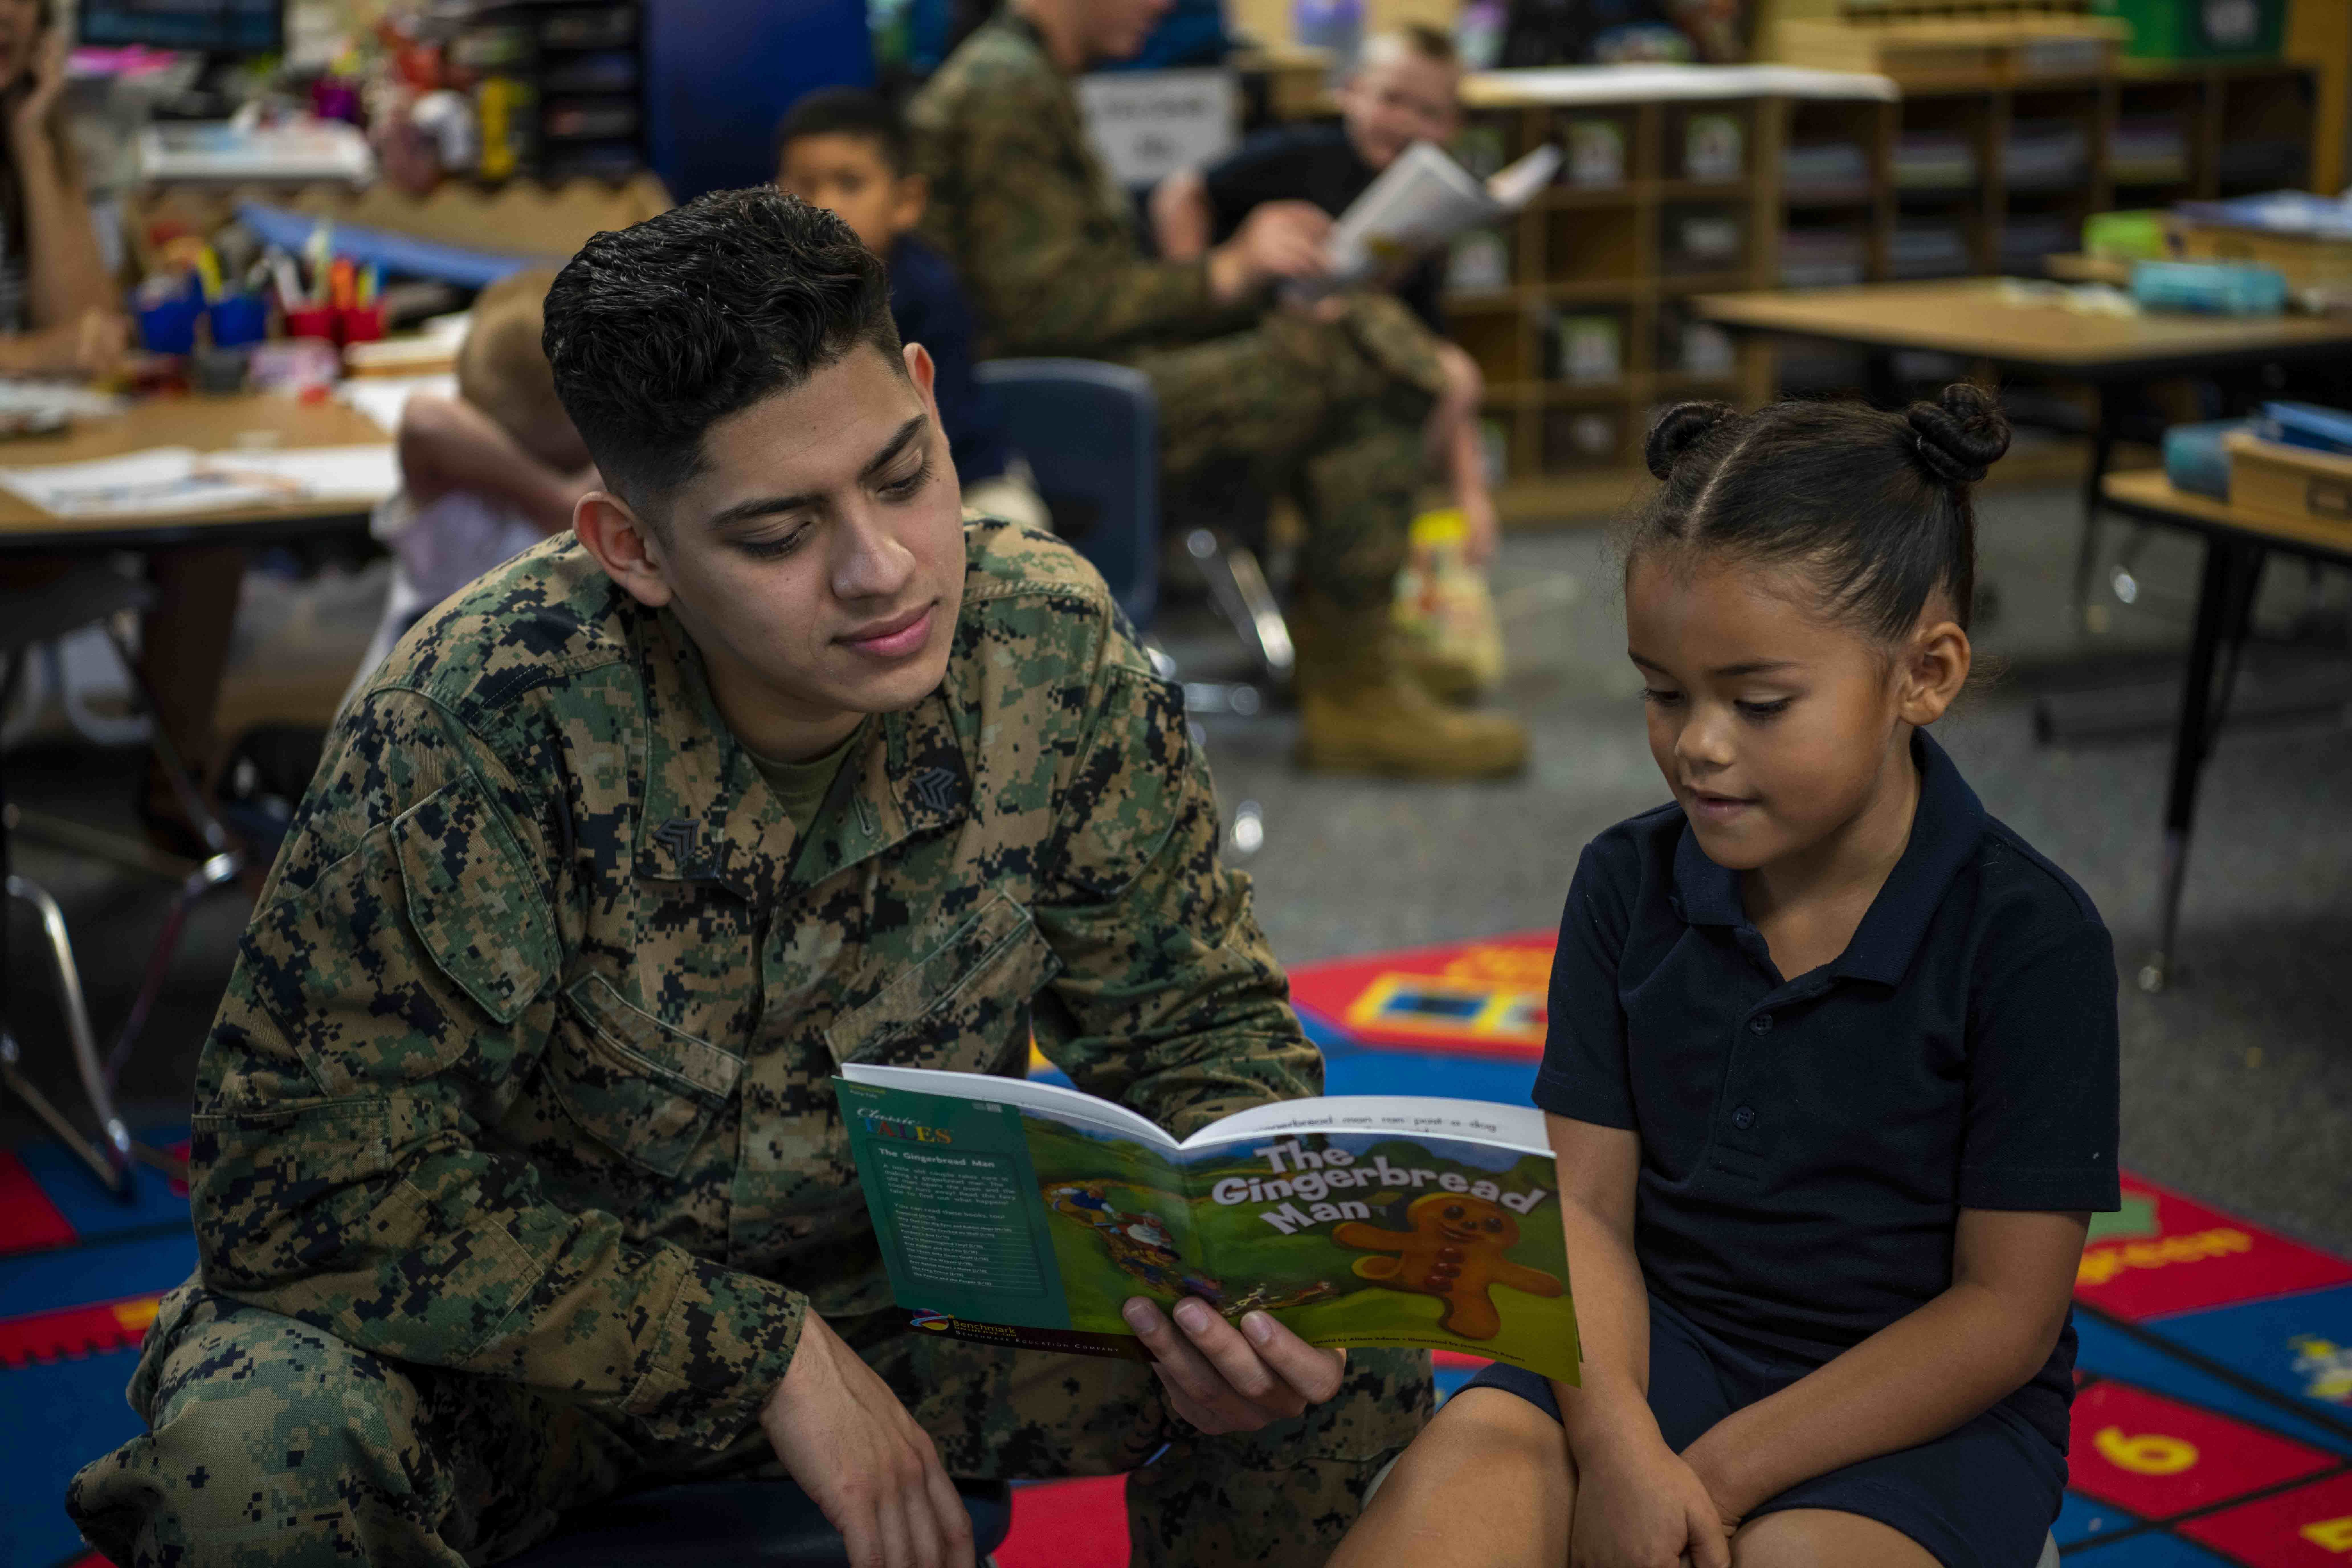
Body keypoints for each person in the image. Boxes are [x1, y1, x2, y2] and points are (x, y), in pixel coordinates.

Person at [64, 188, 1428, 1568]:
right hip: (513, 1346)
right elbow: (297, 1181)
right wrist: (755, 1353)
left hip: (907, 1304)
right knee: (248, 1472)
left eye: (903, 473)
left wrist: (1235, 1279)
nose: (882, 569)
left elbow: (1193, 1027)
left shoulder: (1046, 650)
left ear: (923, 391)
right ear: (633, 549)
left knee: (1327, 1355)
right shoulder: (476, 717)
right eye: (778, 535)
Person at [1332, 387, 2122, 1568]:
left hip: (1912, 1409)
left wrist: (1710, 1476)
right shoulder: (1623, 882)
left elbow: (2003, 1314)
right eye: (1664, 691)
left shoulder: (2030, 937)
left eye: (1759, 703)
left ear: (1927, 673)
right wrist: (1621, 1444)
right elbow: (1587, 1210)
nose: (1698, 743)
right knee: (1444, 1507)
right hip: (1647, 1349)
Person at [910, 0, 1529, 778]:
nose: (1167, 7)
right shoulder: (1007, 87)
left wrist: (1246, 275)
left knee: (1347, 331)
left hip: (1090, 381)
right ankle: (1353, 680)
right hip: (1058, 410)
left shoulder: (1029, 74)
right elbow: (1045, 312)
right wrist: (1227, 271)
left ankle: (1353, 662)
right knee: (1357, 351)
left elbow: (1069, 292)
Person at [1149, 24, 1499, 567]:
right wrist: (1194, 293)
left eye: (1428, 113)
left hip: (1353, 363)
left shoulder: (1428, 209)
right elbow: (1181, 194)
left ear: (1452, 126)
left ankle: (1392, 527)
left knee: (1454, 374)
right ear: (1350, 91)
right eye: (1391, 100)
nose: (1405, 123)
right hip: (1259, 341)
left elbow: (1441, 361)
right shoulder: (1299, 155)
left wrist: (1472, 495)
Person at [774, 86, 1047, 533]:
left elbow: (943, 434)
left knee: (1016, 532)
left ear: (906, 203)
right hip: (830, 487)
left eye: (850, 184)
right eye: (804, 186)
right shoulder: (766, 296)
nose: (824, 205)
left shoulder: (930, 292)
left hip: (958, 470)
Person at [342, 266, 596, 701]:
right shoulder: (465, 507)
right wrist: (561, 502)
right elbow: (426, 421)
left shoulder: (454, 494)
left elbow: (425, 419)